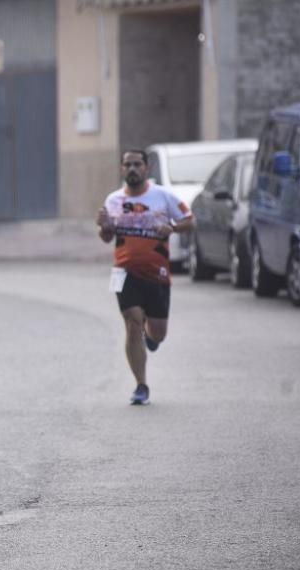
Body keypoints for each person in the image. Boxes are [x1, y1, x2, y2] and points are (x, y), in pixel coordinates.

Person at [96, 148, 193, 405]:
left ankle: (152, 339)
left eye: (137, 164)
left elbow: (189, 220)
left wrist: (171, 228)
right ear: (121, 169)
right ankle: (141, 385)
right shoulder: (113, 200)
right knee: (132, 322)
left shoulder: (162, 196)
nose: (132, 169)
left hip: (157, 274)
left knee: (158, 333)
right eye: (127, 165)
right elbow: (107, 237)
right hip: (124, 271)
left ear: (146, 168)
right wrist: (104, 227)